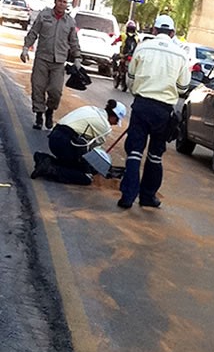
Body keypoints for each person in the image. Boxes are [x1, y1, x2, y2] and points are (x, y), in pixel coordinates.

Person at [117, 14, 190, 209]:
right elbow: (183, 88)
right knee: (155, 155)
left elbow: (130, 76)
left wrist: (138, 91)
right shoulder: (181, 54)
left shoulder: (143, 47)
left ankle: (127, 196)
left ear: (155, 31)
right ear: (172, 33)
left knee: (134, 152)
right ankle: (148, 196)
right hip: (163, 110)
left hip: (142, 105)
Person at [20, 0, 82, 130]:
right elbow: (33, 33)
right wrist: (25, 48)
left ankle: (49, 111)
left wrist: (77, 57)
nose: (61, 4)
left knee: (55, 91)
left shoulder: (70, 22)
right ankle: (38, 116)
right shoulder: (44, 15)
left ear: (67, 5)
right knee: (38, 87)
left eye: (64, 2)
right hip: (42, 58)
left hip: (59, 62)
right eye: (60, 1)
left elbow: (74, 41)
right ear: (55, 1)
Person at [31, 99, 127, 185]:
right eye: (116, 121)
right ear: (114, 117)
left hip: (54, 137)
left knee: (74, 164)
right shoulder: (105, 126)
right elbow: (93, 153)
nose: (114, 124)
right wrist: (96, 170)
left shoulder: (91, 108)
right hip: (64, 143)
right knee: (85, 177)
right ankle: (50, 170)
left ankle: (43, 158)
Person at [112, 21, 139, 91]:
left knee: (114, 57)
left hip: (123, 55)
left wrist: (113, 43)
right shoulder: (137, 37)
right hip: (133, 56)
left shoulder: (123, 35)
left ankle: (115, 71)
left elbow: (116, 40)